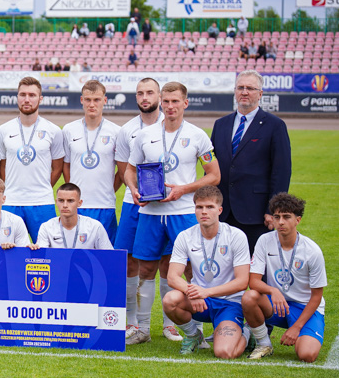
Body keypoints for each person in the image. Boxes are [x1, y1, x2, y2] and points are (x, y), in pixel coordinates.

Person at [124, 81, 221, 345]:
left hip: (183, 212)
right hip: (151, 213)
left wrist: (184, 189)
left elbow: (214, 175)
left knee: (187, 270)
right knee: (146, 269)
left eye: (175, 101)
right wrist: (133, 189)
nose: (170, 106)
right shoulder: (145, 135)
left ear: (185, 103)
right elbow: (130, 170)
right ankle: (143, 329)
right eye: (166, 101)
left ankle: (187, 329)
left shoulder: (198, 135)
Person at [163, 185, 251, 357]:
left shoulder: (236, 236)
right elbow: (172, 277)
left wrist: (205, 292)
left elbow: (242, 282)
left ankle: (248, 334)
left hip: (229, 303)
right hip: (200, 301)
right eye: (199, 207)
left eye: (209, 207)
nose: (204, 211)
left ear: (219, 210)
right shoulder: (185, 236)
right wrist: (193, 292)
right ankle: (194, 335)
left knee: (224, 352)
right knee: (170, 300)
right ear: (194, 209)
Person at [210, 70, 291, 253]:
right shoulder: (220, 124)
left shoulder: (275, 125)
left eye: (250, 88)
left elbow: (282, 171)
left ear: (260, 94)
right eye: (241, 88)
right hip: (223, 212)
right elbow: (213, 167)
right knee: (225, 271)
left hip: (256, 214)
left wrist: (273, 209)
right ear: (235, 91)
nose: (244, 92)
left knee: (257, 272)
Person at [113, 78, 169, 341]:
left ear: (159, 95)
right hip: (134, 204)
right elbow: (125, 170)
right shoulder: (126, 130)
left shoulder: (171, 126)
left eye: (150, 92)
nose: (144, 97)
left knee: (170, 262)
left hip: (168, 206)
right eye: (140, 93)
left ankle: (169, 324)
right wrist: (133, 190)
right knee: (129, 262)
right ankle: (132, 323)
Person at [241, 193, 326, 363]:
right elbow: (253, 281)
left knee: (307, 355)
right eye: (277, 217)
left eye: (287, 217)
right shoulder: (264, 240)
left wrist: (296, 328)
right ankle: (263, 343)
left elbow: (316, 296)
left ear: (298, 220)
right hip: (277, 304)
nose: (280, 222)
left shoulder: (312, 251)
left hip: (305, 307)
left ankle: (249, 331)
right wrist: (273, 290)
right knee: (249, 297)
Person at [0, 76, 64, 241]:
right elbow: (2, 166)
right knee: (7, 252)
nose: (27, 99)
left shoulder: (53, 131)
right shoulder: (3, 130)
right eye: (22, 95)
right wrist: (12, 186)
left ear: (40, 98)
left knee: (46, 252)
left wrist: (44, 186)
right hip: (11, 201)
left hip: (42, 202)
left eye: (32, 95)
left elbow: (58, 167)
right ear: (17, 97)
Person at [61, 80, 122, 244]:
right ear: (82, 100)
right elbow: (66, 165)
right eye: (88, 100)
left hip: (105, 206)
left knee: (106, 257)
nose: (92, 104)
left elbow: (122, 171)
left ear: (105, 100)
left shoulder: (116, 132)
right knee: (73, 252)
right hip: (76, 206)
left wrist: (110, 189)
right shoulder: (68, 130)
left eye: (96, 99)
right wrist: (73, 192)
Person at [34, 183, 112, 250]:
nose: (65, 205)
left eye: (70, 201)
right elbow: (41, 257)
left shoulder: (95, 227)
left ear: (79, 203)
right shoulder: (46, 227)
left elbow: (110, 256)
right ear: (56, 202)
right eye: (61, 200)